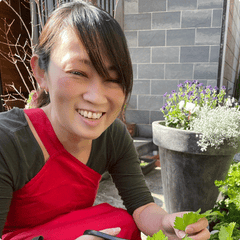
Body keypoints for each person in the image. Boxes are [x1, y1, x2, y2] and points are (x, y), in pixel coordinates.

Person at [0, 1, 210, 240]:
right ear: (41, 73)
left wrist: (168, 224)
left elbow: (141, 206)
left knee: (122, 222)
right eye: (78, 73)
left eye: (113, 78)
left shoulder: (113, 134)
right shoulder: (8, 140)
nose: (97, 97)